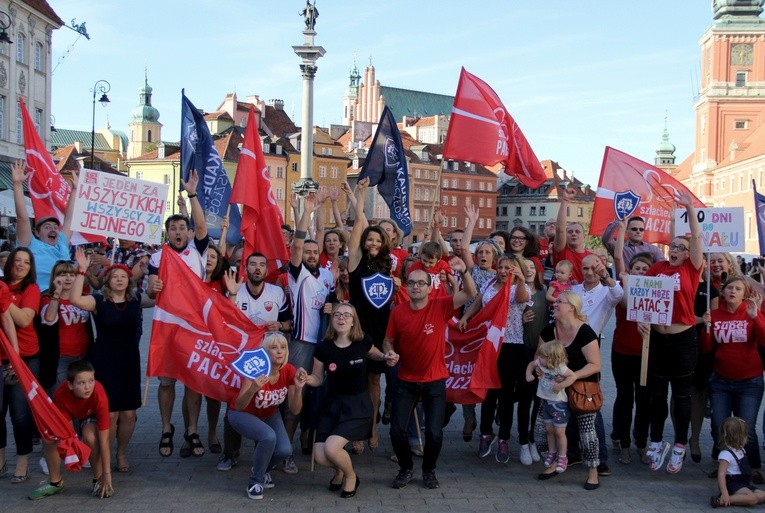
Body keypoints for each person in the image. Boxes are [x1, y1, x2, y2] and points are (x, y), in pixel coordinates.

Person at [383, 255, 477, 490]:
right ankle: (405, 468)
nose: (416, 287)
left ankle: (429, 470)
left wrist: (464, 270)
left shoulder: (441, 305)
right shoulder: (398, 312)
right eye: (412, 283)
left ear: (429, 286)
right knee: (396, 432)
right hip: (406, 379)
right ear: (406, 285)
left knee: (434, 435)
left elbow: (469, 293)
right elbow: (388, 340)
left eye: (421, 283)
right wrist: (389, 353)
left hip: (435, 380)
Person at [70, 247, 152, 473]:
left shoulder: (136, 299)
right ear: (108, 280)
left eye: (123, 277)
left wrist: (152, 272)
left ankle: (121, 452)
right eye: (115, 276)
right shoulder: (98, 301)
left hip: (129, 360)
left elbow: (160, 298)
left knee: (129, 413)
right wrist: (82, 271)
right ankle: (106, 453)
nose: (119, 280)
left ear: (129, 280)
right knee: (111, 412)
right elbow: (75, 299)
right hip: (105, 361)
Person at [639, 190, 703, 474]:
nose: (675, 250)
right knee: (656, 395)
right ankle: (656, 442)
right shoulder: (657, 268)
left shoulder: (692, 268)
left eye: (680, 247)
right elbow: (643, 298)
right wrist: (641, 319)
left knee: (682, 396)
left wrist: (688, 208)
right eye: (672, 246)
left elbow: (697, 239)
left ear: (688, 254)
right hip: (657, 339)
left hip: (684, 340)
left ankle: (679, 445)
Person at [305, 303, 398, 498]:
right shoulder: (323, 347)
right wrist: (305, 380)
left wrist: (386, 356)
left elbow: (376, 354)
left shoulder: (362, 341)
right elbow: (317, 378)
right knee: (321, 455)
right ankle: (339, 469)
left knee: (332, 447)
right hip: (333, 406)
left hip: (357, 406)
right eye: (337, 315)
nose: (341, 318)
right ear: (332, 320)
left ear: (353, 321)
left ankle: (351, 476)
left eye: (347, 315)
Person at [147, 170, 210, 460]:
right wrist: (153, 286)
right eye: (173, 228)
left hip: (194, 326)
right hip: (167, 326)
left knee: (194, 380)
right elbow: (150, 293)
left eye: (182, 227)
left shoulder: (198, 249)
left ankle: (192, 429)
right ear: (167, 232)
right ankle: (166, 427)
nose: (178, 232)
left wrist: (192, 194)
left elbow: (200, 223)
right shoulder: (158, 256)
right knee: (166, 382)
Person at [217, 253, 291, 472]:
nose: (257, 268)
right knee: (235, 402)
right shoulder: (236, 290)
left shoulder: (276, 292)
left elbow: (289, 322)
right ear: (245, 267)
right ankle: (230, 454)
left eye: (261, 265)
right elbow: (225, 320)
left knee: (268, 402)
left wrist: (280, 325)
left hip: (270, 358)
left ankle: (270, 453)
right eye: (252, 264)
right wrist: (231, 294)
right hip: (241, 357)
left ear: (267, 270)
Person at [460, 255, 531, 465]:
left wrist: (518, 280)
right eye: (500, 267)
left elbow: (520, 299)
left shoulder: (520, 286)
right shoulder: (490, 283)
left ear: (516, 269)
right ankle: (485, 434)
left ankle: (504, 437)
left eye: (508, 267)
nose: (503, 270)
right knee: (488, 391)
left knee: (507, 394)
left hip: (511, 344)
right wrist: (466, 317)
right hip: (490, 343)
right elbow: (479, 303)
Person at [284, 192, 336, 473]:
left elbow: (332, 304)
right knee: (295, 394)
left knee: (320, 397)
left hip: (324, 344)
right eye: (308, 252)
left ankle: (311, 438)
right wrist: (305, 211)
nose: (312, 255)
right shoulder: (297, 274)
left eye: (316, 252)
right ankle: (286, 450)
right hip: (302, 344)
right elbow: (299, 242)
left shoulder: (327, 275)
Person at [701, 277, 765, 481]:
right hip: (721, 381)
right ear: (723, 292)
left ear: (744, 294)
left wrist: (755, 317)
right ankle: (724, 465)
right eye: (729, 288)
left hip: (750, 382)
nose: (733, 291)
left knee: (748, 429)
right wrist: (707, 328)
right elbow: (706, 348)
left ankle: (752, 467)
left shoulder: (751, 312)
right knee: (719, 426)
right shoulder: (716, 314)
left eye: (738, 289)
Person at [228, 332, 305, 501]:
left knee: (285, 450)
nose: (280, 351)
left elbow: (295, 410)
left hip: (270, 413)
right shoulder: (255, 368)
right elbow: (239, 405)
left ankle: (261, 470)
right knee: (268, 437)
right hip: (241, 413)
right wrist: (253, 388)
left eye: (283, 347)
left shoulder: (289, 370)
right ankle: (255, 482)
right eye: (274, 347)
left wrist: (299, 389)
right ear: (264, 351)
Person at [537, 291, 601, 490]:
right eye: (554, 301)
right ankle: (555, 460)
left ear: (572, 307)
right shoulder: (549, 331)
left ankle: (593, 472)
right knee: (543, 430)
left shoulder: (585, 332)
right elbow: (538, 357)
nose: (554, 304)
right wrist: (539, 370)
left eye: (559, 302)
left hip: (581, 389)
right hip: (553, 390)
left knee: (587, 431)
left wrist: (571, 376)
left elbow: (595, 365)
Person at [28, 360, 112, 500]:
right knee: (50, 439)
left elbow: (105, 441)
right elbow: (67, 433)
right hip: (70, 414)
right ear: (70, 385)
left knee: (90, 437)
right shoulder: (61, 394)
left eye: (91, 380)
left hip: (90, 414)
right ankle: (56, 482)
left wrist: (107, 474)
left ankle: (97, 479)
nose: (88, 387)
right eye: (82, 383)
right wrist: (72, 450)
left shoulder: (98, 392)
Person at [610, 220, 655, 465]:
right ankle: (623, 441)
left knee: (644, 399)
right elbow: (618, 257)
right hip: (622, 351)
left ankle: (641, 442)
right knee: (624, 397)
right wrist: (624, 227)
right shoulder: (622, 286)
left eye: (645, 269)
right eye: (637, 268)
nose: (641, 272)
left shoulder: (658, 292)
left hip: (646, 353)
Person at [0, 247, 40, 483]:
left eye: (26, 261)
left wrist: (3, 298)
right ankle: (1, 460)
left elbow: (24, 319)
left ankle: (22, 461)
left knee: (20, 414)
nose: (21, 265)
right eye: (17, 260)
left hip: (24, 357)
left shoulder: (31, 289)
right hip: (1, 356)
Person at [11, 160, 77, 289]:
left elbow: (69, 220)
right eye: (47, 227)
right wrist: (18, 184)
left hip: (65, 295)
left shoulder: (61, 243)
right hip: (41, 295)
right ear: (37, 232)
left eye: (55, 227)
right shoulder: (30, 244)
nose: (53, 230)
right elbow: (22, 218)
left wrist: (74, 191)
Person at [38, 260, 92, 393]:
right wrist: (57, 294)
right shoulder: (47, 298)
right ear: (54, 278)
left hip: (83, 356)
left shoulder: (83, 298)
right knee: (58, 396)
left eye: (72, 275)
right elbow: (49, 318)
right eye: (62, 274)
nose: (68, 278)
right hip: (60, 359)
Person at [526, 341, 577, 474]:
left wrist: (561, 385)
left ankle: (562, 457)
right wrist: (529, 374)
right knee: (549, 430)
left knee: (559, 432)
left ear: (551, 358)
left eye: (542, 357)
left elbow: (573, 376)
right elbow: (531, 364)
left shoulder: (560, 368)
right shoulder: (540, 363)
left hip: (558, 404)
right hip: (545, 402)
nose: (539, 359)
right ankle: (552, 452)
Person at [711, 417, 765, 508]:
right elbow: (721, 475)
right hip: (733, 484)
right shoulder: (726, 454)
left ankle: (742, 498)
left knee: (762, 495)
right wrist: (724, 493)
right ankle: (723, 499)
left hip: (743, 483)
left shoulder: (740, 449)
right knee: (753, 499)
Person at [553, 187, 593, 282]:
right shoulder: (562, 252)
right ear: (565, 236)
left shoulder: (592, 258)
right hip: (564, 295)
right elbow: (560, 230)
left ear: (584, 236)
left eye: (577, 231)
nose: (573, 234)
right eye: (570, 232)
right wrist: (565, 199)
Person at [601, 216, 665, 265]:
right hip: (625, 281)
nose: (638, 231)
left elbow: (662, 267)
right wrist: (617, 221)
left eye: (641, 229)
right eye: (634, 229)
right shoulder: (620, 248)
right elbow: (606, 240)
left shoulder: (654, 249)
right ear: (626, 231)